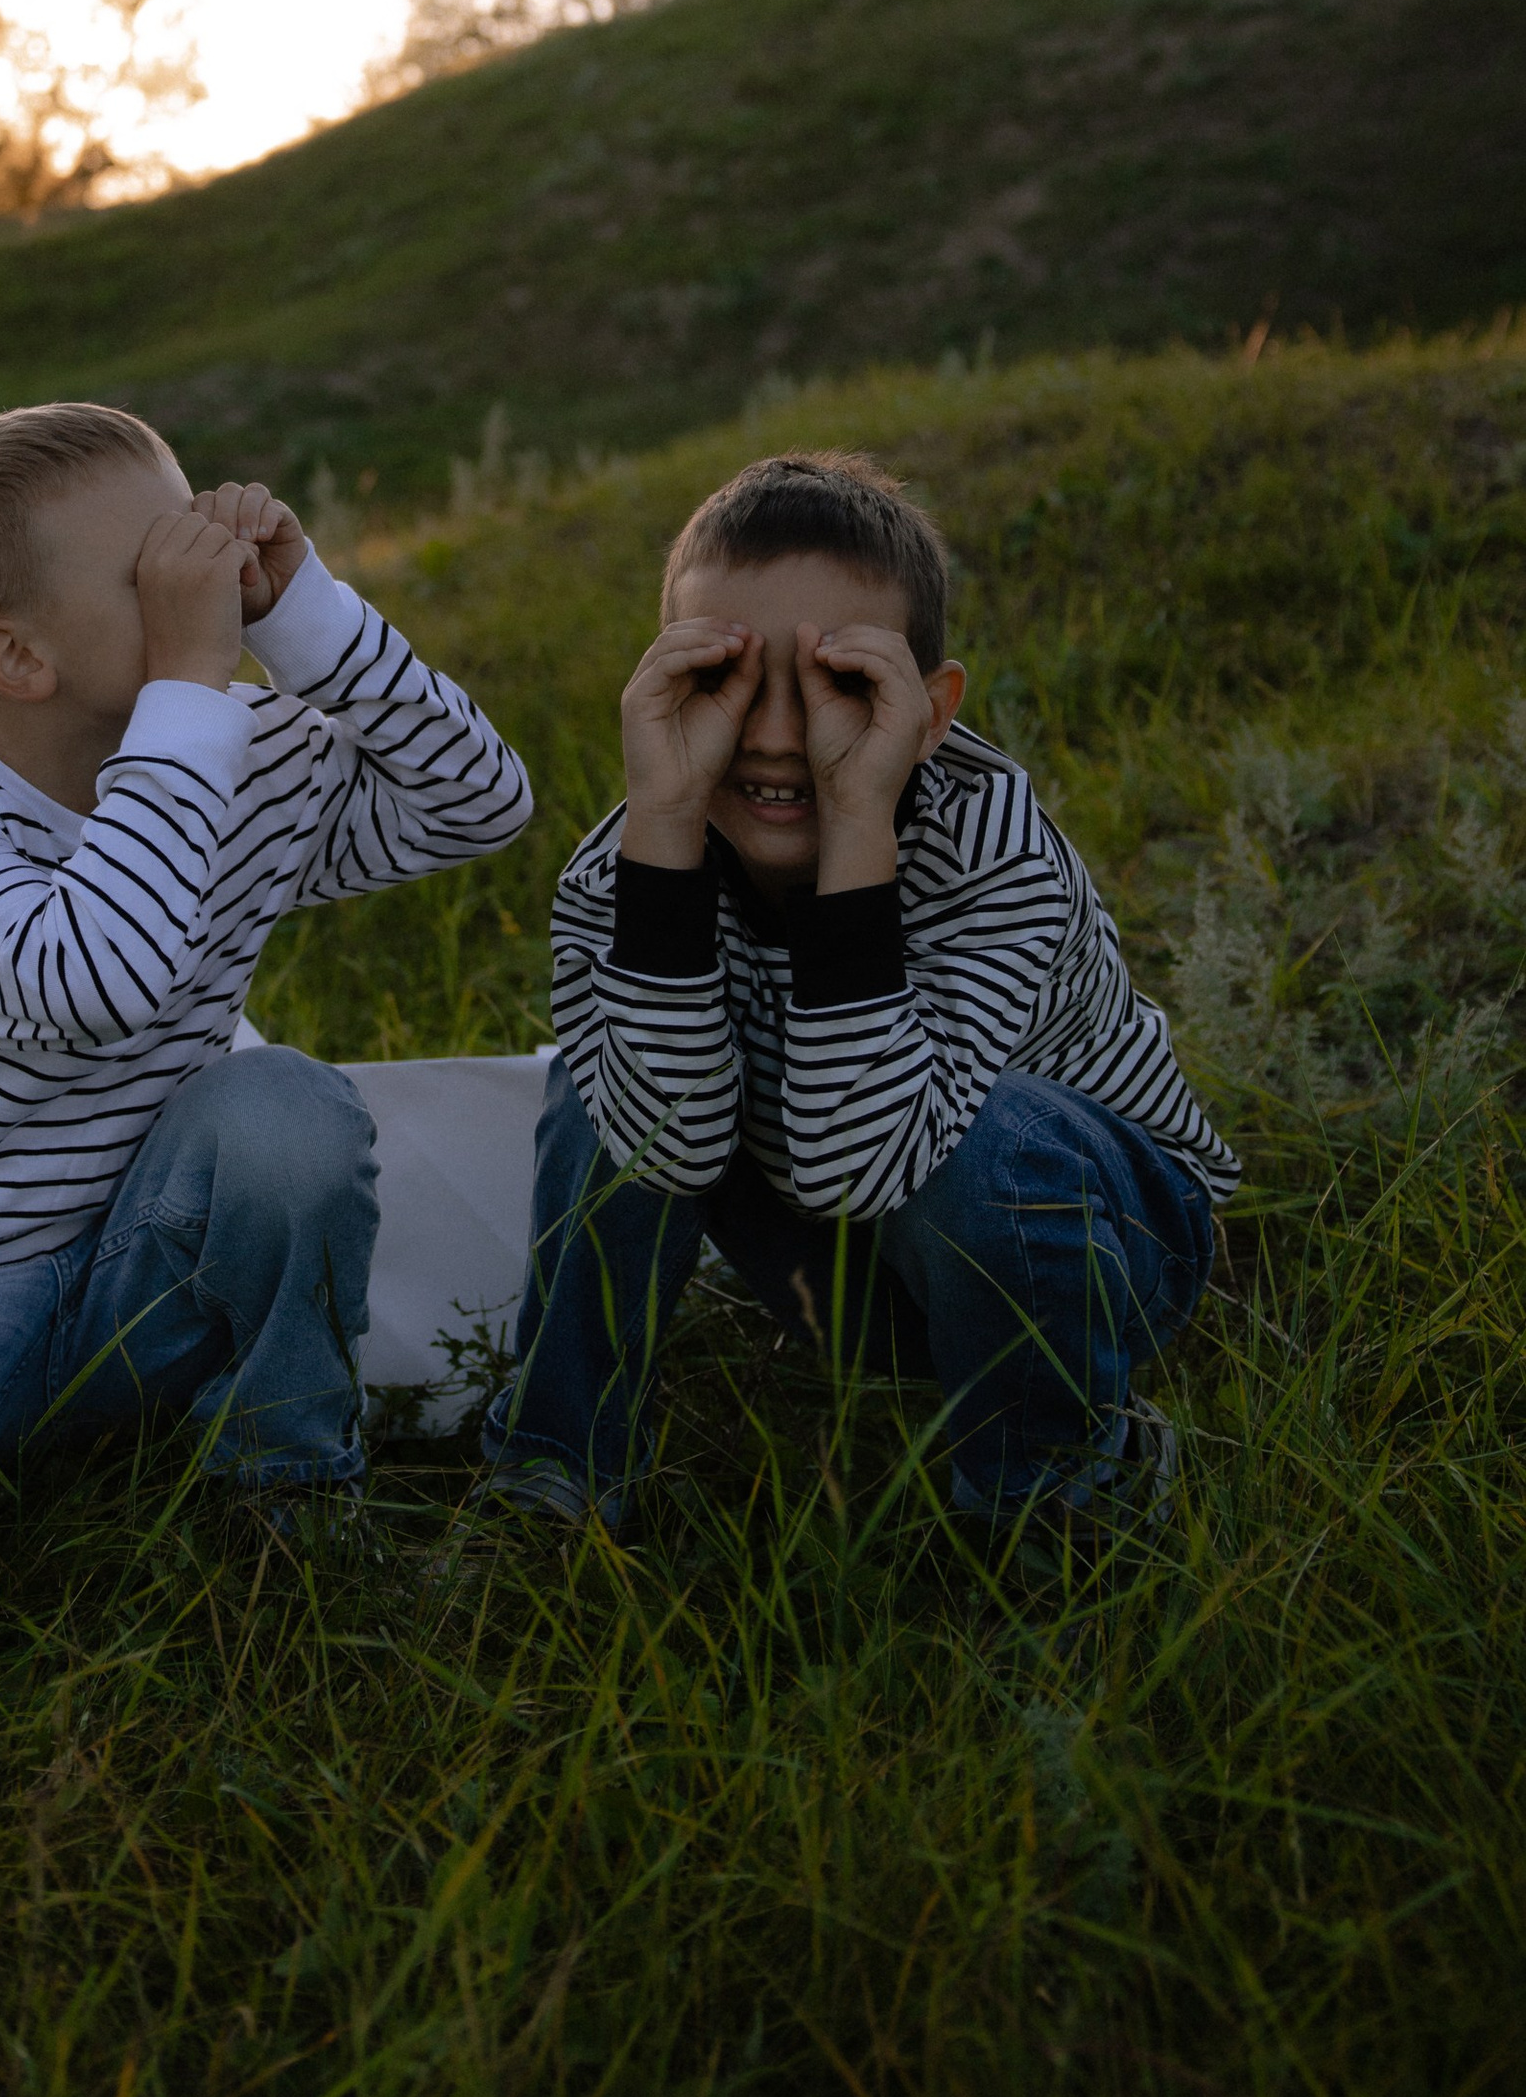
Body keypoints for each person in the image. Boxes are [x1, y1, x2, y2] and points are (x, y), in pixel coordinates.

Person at [0, 399, 533, 1573]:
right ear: (18, 657)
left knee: (284, 1110)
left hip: (152, 1258)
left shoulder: (233, 751)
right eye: (151, 572)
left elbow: (479, 805)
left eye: (197, 543)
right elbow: (99, 972)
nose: (200, 585)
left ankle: (287, 1484)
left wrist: (306, 616)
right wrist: (192, 696)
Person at [479, 448, 1236, 1538]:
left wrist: (856, 836)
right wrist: (661, 833)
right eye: (725, 677)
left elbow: (880, 1156)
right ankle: (557, 1468)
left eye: (841, 681)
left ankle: (1056, 1487)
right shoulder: (621, 869)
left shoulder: (995, 855)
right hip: (858, 1258)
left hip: (1101, 1250)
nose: (781, 734)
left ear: (928, 713)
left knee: (982, 1138)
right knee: (600, 1094)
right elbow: (657, 1147)